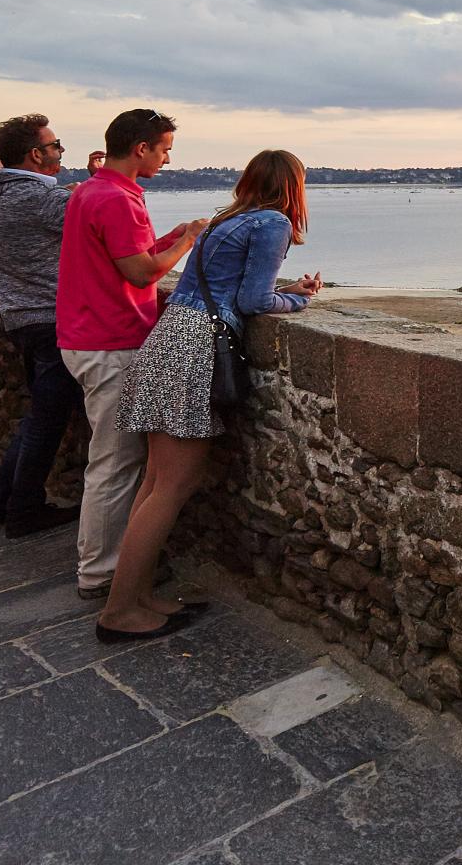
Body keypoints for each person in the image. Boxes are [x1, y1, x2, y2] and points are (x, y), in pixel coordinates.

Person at [97, 149, 320, 640]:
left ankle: (136, 596)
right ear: (294, 186)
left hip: (170, 336)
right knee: (171, 488)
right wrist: (297, 301)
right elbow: (252, 301)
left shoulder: (228, 219)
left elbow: (228, 285)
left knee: (155, 484)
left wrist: (287, 287)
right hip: (196, 350)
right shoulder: (272, 224)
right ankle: (118, 613)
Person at [57, 110, 208, 600]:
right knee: (115, 463)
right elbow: (143, 274)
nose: (167, 157)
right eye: (164, 148)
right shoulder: (116, 199)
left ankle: (110, 563)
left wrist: (171, 236)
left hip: (88, 336)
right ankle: (102, 573)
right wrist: (187, 241)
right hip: (110, 341)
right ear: (140, 147)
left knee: (113, 460)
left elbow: (127, 260)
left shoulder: (91, 190)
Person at [0, 114, 105, 537]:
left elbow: (61, 199)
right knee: (45, 422)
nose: (61, 151)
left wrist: (84, 181)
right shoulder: (39, 200)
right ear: (36, 154)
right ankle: (23, 511)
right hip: (53, 319)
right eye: (56, 145)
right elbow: (98, 216)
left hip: (19, 316)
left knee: (39, 416)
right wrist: (102, 179)